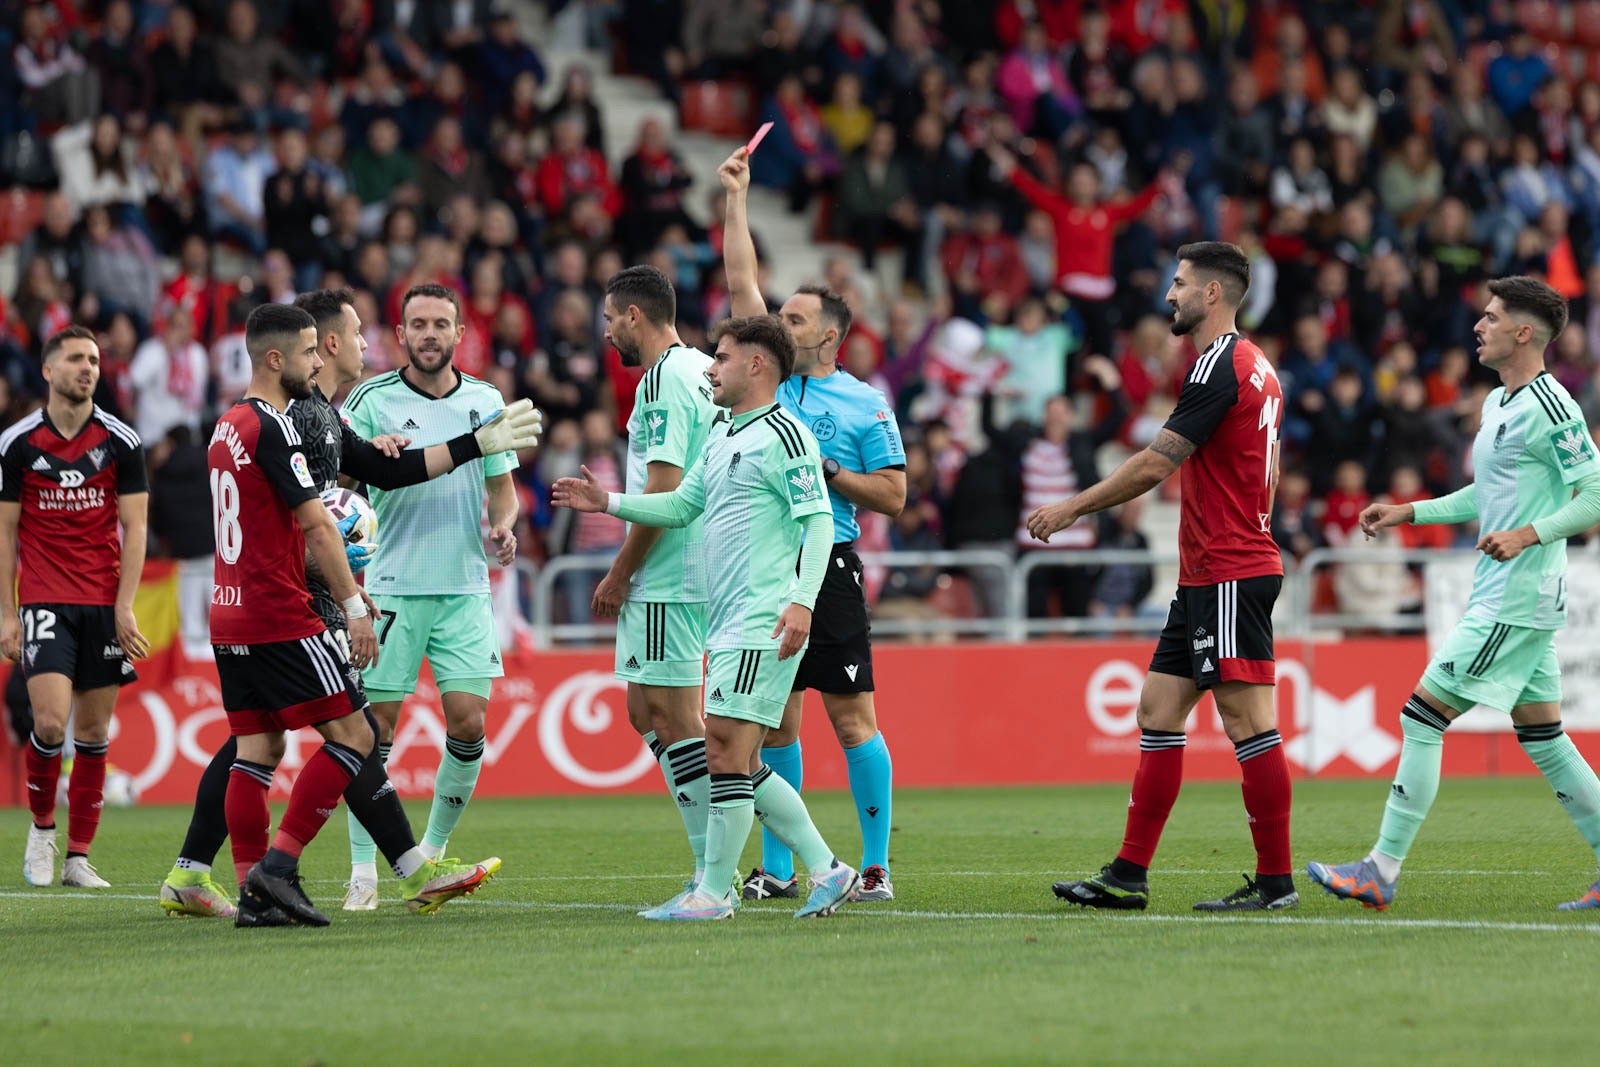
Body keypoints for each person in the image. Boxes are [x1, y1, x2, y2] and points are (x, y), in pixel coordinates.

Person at [159, 289, 539, 918]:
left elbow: (381, 473)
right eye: (352, 337)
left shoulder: (264, 420)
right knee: (354, 733)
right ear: (313, 350)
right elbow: (316, 521)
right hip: (290, 604)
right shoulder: (294, 421)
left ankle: (234, 878)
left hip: (240, 606)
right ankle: (279, 870)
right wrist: (351, 597)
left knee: (260, 745)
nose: (366, 346)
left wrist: (474, 443)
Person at [554, 314, 860, 921]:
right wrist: (607, 501)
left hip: (763, 617)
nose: (711, 368)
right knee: (741, 759)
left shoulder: (788, 436)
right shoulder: (724, 432)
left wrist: (802, 601)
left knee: (722, 748)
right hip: (727, 619)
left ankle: (713, 894)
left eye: (721, 358)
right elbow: (682, 503)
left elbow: (819, 521)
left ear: (756, 365)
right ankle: (828, 870)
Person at [1309, 277, 1600, 912]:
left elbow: (1596, 495)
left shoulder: (1555, 408)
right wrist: (1409, 512)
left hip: (1516, 598)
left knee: (1421, 716)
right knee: (1546, 739)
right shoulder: (1499, 403)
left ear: (1524, 333)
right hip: (1507, 594)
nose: (1479, 326)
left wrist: (1529, 534)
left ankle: (1379, 870)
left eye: (1492, 318)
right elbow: (1486, 496)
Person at [1039, 242, 1298, 912]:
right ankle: (1128, 874)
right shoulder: (1259, 365)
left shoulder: (1221, 363)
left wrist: (1072, 506)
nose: (1169, 295)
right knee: (1157, 708)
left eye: (1179, 284)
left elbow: (1157, 464)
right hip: (1210, 572)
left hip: (1230, 569)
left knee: (1246, 720)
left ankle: (1275, 884)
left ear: (1212, 294)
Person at [719, 145, 908, 903]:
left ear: (828, 334)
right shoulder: (769, 374)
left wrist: (832, 475)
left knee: (852, 716)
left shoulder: (864, 404)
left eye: (792, 317)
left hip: (824, 563)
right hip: (760, 566)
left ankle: (874, 866)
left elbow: (893, 495)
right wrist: (737, 197)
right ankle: (779, 867)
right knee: (774, 725)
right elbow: (740, 281)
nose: (777, 322)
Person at [338, 284, 523, 909]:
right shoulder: (371, 398)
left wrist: (504, 525)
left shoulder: (487, 400)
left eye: (440, 323)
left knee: (469, 722)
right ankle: (363, 868)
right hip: (390, 587)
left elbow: (501, 489)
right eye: (418, 324)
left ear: (459, 333)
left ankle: (436, 852)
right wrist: (368, 459)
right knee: (373, 733)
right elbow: (338, 488)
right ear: (401, 334)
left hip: (465, 586)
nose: (429, 334)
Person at [0, 326, 149, 889]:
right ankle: (42, 832)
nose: (88, 367)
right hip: (43, 598)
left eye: (93, 359)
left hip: (102, 602)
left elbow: (135, 527)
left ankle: (78, 857)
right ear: (47, 370)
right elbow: (4, 533)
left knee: (93, 731)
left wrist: (126, 605)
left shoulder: (122, 441)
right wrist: (6, 613)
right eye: (75, 359)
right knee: (49, 720)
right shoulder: (17, 443)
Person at [593, 265, 718, 894]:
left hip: (671, 569)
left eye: (612, 319)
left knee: (679, 722)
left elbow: (663, 489)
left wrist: (621, 572)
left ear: (634, 316)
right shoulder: (699, 367)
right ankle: (714, 856)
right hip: (684, 565)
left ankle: (710, 869)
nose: (609, 332)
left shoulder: (664, 380)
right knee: (643, 710)